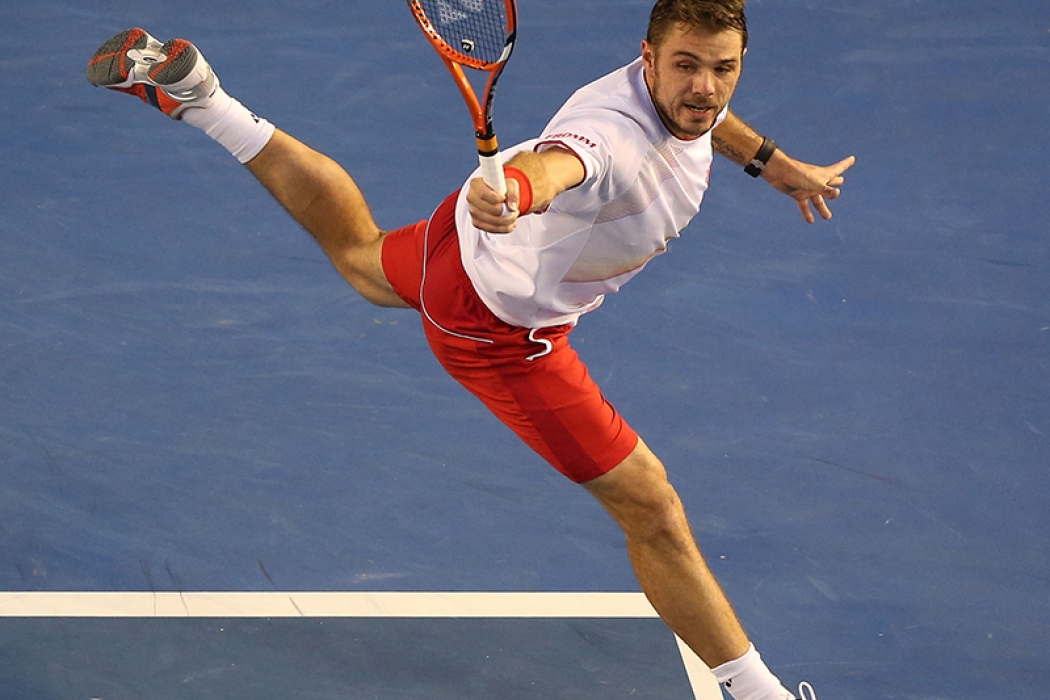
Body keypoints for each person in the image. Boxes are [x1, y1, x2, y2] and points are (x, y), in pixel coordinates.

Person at [86, 1, 853, 698]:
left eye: (724, 68)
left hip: (462, 248)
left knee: (363, 259)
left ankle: (206, 101)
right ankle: (757, 694)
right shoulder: (609, 137)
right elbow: (557, 166)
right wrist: (517, 192)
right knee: (650, 507)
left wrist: (775, 165)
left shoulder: (684, 95)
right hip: (500, 332)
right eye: (686, 65)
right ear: (645, 59)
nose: (706, 88)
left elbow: (712, 119)